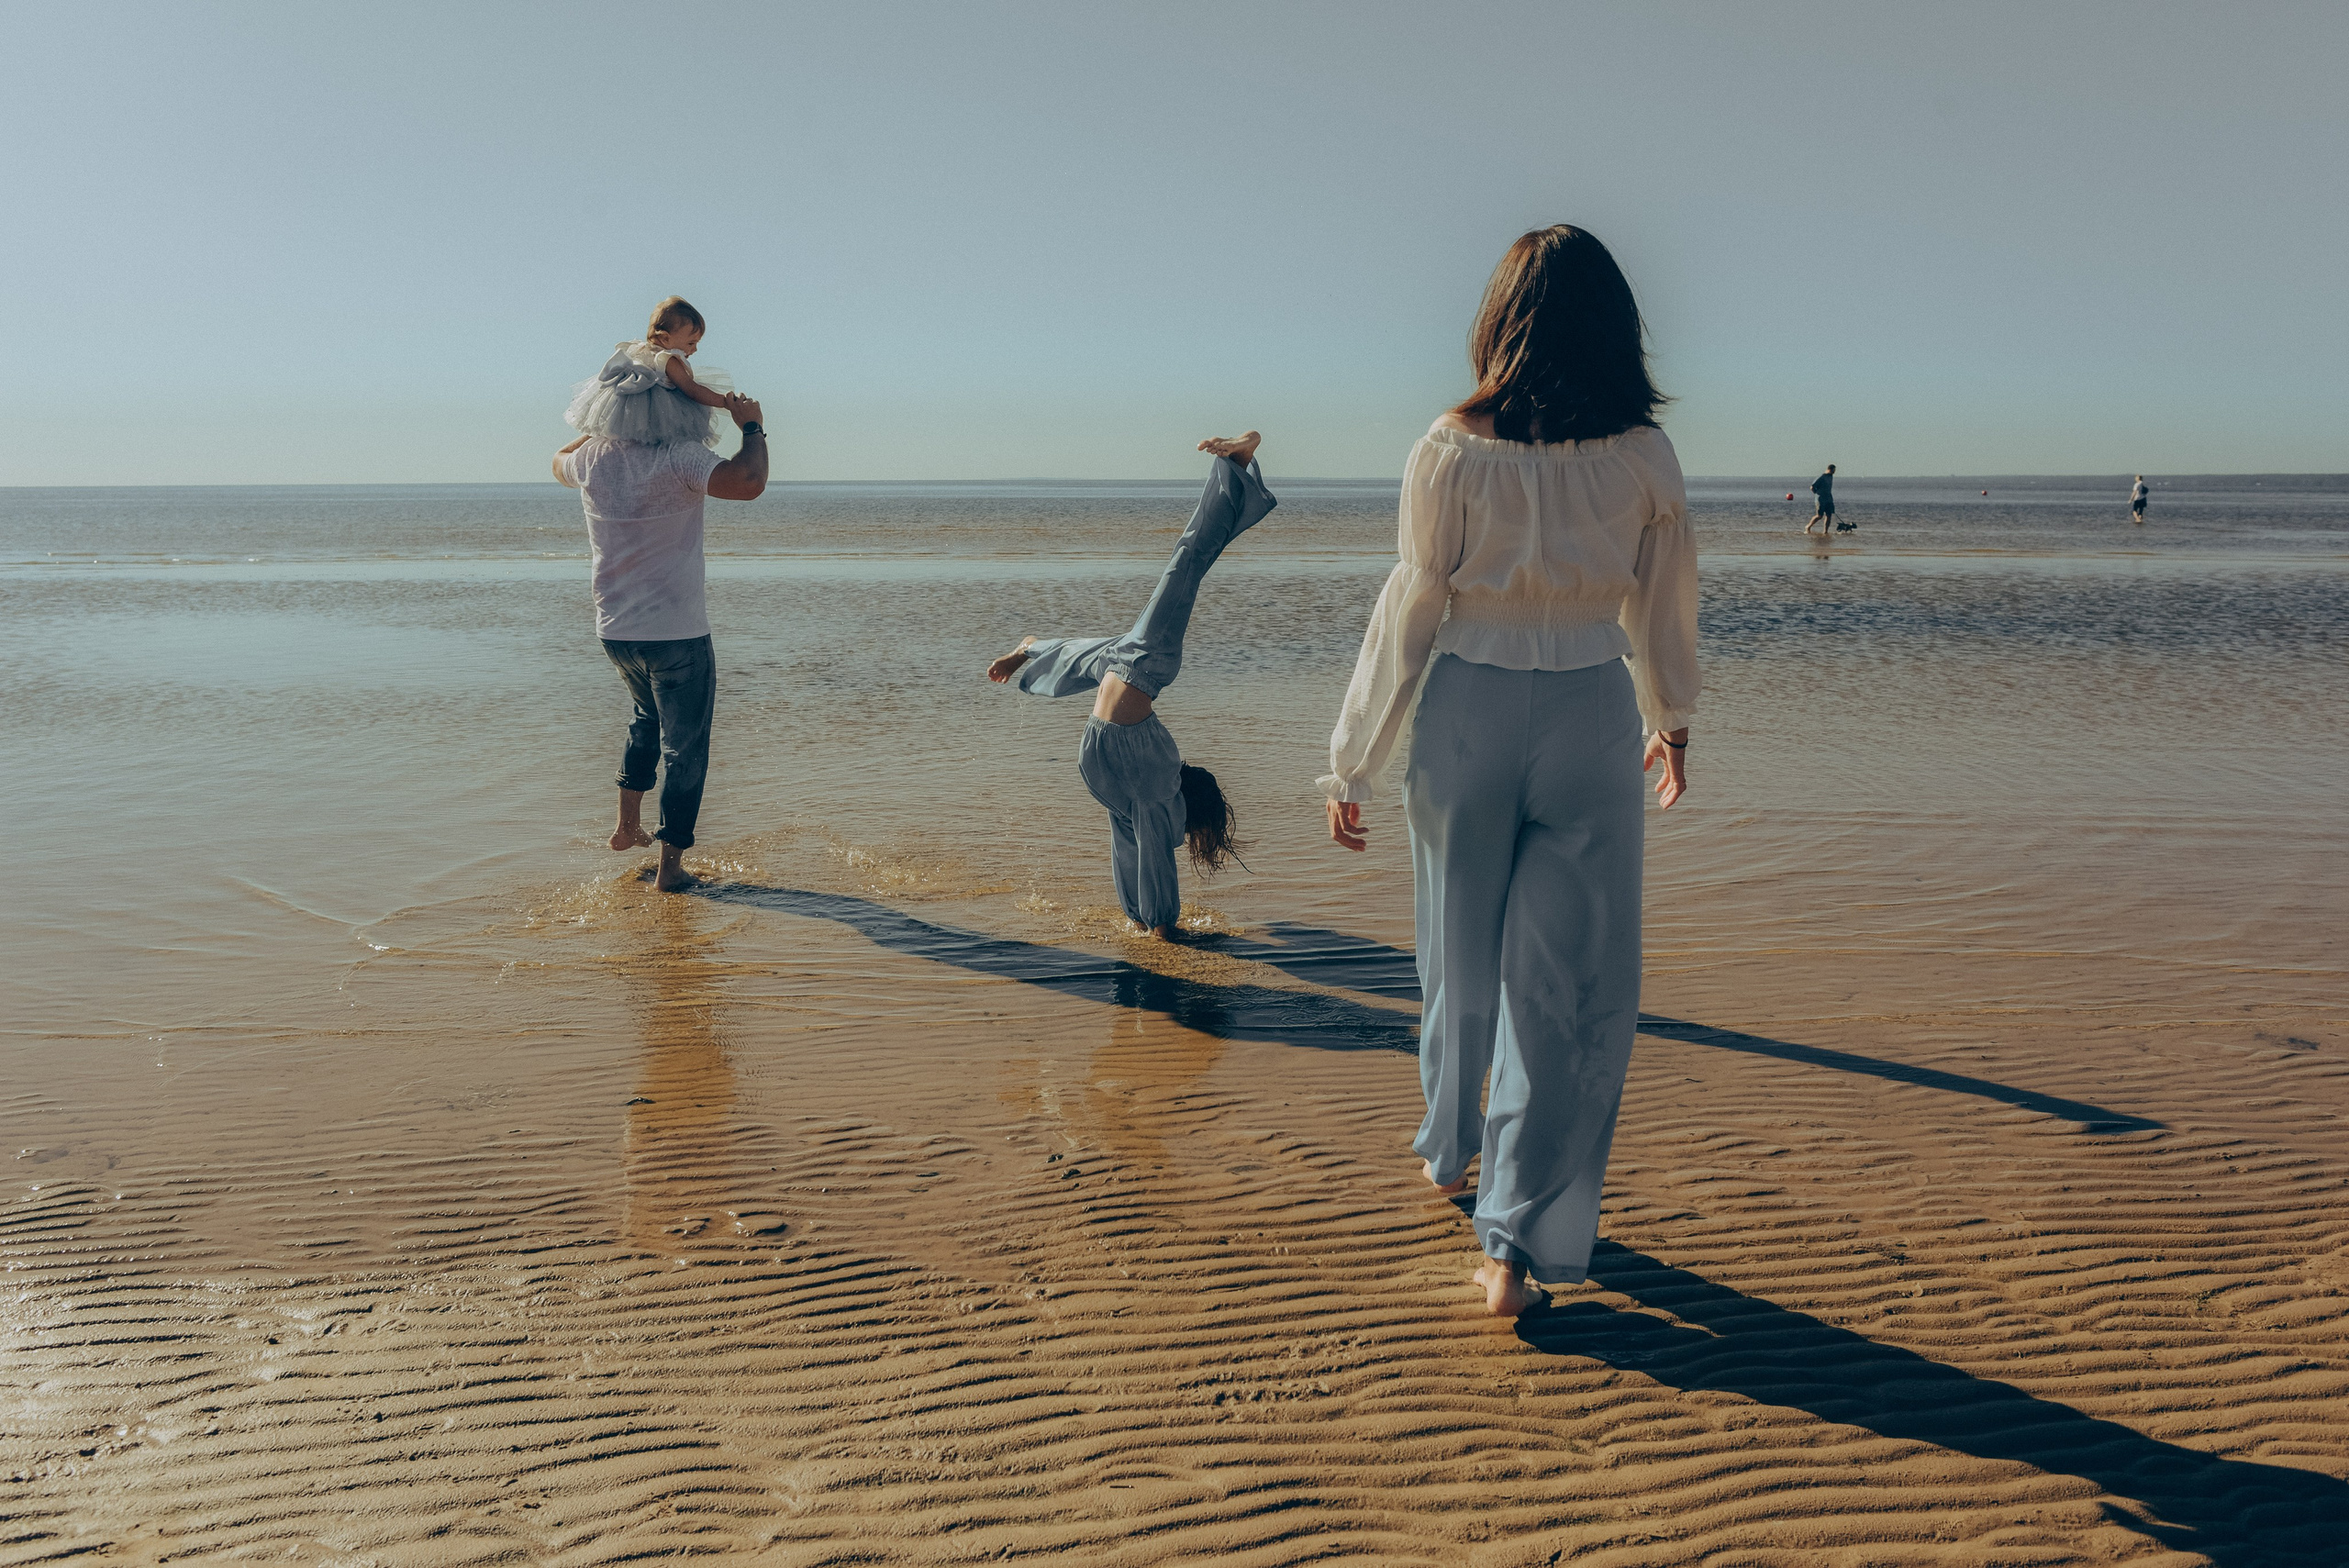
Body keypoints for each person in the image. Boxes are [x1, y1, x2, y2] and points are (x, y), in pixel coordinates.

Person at [1321, 226, 1700, 1318]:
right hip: (1588, 708)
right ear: (1613, 323)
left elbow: (1412, 605)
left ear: (1500, 318)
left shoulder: (1449, 444)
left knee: (1454, 948)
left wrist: (1352, 754)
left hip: (1464, 711)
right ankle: (1512, 1249)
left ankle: (1447, 1146)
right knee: (1568, 991)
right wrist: (1670, 719)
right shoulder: (1640, 454)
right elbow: (1660, 601)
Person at [986, 435, 1272, 939]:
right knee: (1187, 562)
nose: (1198, 839)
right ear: (1192, 805)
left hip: (1105, 740)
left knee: (1130, 832)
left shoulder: (1152, 796)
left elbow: (1139, 853)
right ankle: (1235, 463)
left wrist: (1142, 922)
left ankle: (1138, 920)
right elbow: (1160, 855)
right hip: (1132, 700)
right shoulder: (1162, 792)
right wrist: (1166, 926)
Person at [552, 326, 769, 893]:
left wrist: (591, 432)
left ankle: (627, 828)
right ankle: (671, 869)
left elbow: (557, 460)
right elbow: (747, 483)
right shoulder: (681, 457)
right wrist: (753, 427)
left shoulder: (592, 459)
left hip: (617, 629)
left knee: (646, 719)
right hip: (676, 631)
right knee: (686, 746)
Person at [567, 296, 741, 450]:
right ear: (666, 338)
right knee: (665, 431)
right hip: (655, 407)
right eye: (691, 343)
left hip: (627, 405)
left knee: (630, 436)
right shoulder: (668, 359)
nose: (694, 349)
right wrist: (724, 402)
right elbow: (692, 390)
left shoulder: (638, 349)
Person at [1803, 463, 1838, 534]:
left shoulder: (1831, 477)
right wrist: (1816, 493)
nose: (1834, 472)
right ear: (1831, 469)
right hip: (1820, 499)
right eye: (1834, 470)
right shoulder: (1822, 477)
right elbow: (1812, 487)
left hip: (1829, 499)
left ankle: (1825, 532)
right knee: (1819, 516)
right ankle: (1808, 526)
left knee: (1829, 515)